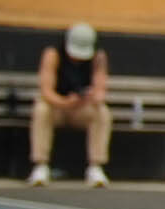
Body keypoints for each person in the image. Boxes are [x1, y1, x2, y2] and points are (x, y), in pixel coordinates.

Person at [28, 20, 110, 186]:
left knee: (102, 112)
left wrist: (90, 96)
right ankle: (40, 165)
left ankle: (96, 167)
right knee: (41, 109)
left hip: (80, 109)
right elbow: (46, 91)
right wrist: (66, 102)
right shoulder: (52, 54)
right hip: (57, 107)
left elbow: (100, 90)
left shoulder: (98, 57)